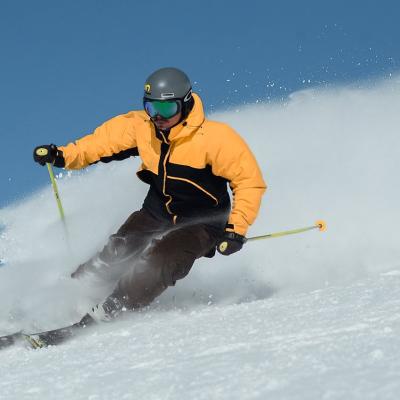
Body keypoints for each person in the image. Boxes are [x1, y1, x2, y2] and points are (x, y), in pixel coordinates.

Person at [33, 67, 266, 324]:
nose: (158, 117)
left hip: (203, 223)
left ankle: (111, 310)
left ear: (185, 104)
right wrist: (63, 155)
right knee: (117, 251)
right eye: (151, 108)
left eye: (166, 109)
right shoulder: (143, 128)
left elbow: (249, 182)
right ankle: (66, 298)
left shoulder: (215, 139)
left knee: (160, 260)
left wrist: (236, 229)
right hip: (157, 212)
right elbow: (100, 143)